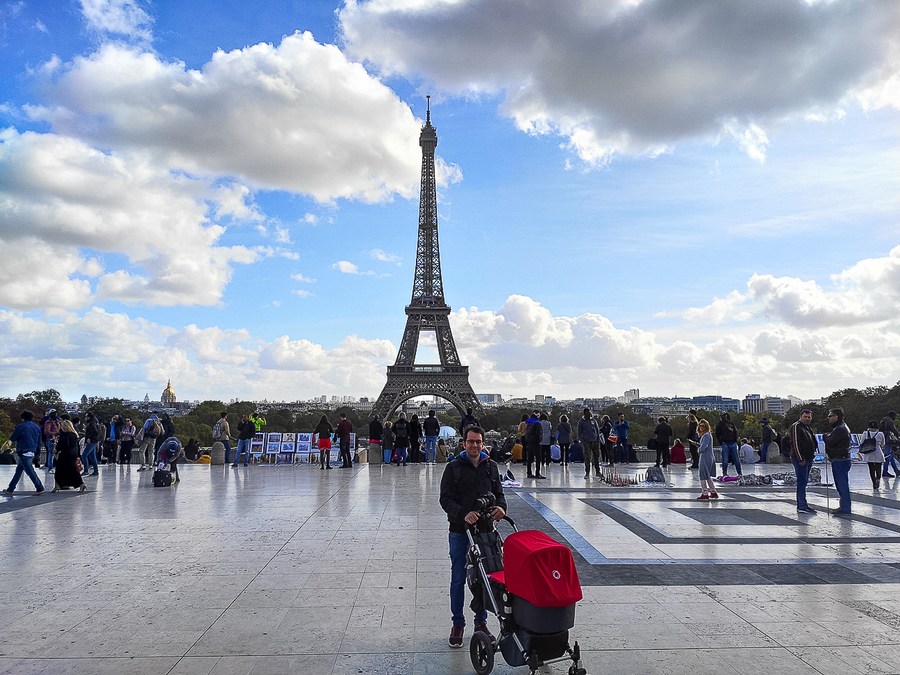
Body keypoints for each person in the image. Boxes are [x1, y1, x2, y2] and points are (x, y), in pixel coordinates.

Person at [439, 425, 506, 648]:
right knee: (458, 578)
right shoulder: (453, 468)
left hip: (485, 531)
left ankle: (481, 622)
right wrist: (463, 514)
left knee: (484, 579)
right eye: (471, 442)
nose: (475, 445)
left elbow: (499, 495)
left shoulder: (492, 467)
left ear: (483, 443)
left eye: (478, 442)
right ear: (463, 443)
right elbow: (445, 499)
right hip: (460, 531)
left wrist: (502, 509)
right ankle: (458, 623)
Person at [3, 411, 45, 495]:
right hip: (32, 451)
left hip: (23, 450)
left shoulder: (20, 427)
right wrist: (37, 453)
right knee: (19, 470)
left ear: (22, 418)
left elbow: (13, 437)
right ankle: (10, 489)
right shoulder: (36, 427)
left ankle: (39, 487)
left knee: (29, 471)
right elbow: (39, 442)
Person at [786, 410, 817, 513]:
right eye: (805, 417)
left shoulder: (808, 428)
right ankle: (801, 505)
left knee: (804, 481)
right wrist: (800, 458)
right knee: (802, 482)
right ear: (801, 417)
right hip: (800, 459)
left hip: (808, 457)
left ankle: (803, 504)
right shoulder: (796, 426)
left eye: (809, 417)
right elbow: (795, 443)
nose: (807, 419)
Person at [823, 408, 852, 515]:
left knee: (842, 484)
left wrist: (825, 437)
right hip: (842, 458)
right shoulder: (842, 427)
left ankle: (845, 508)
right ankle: (844, 506)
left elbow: (830, 442)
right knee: (842, 483)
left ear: (836, 417)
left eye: (830, 416)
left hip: (840, 459)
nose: (828, 418)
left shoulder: (840, 429)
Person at [51, 419, 86, 492]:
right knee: (73, 469)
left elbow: (65, 445)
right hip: (73, 453)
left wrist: (57, 450)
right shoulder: (74, 434)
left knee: (59, 470)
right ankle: (80, 484)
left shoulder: (65, 435)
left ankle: (57, 485)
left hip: (65, 454)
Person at [859, 420, 885, 490]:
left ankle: (874, 482)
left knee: (871, 468)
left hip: (869, 452)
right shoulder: (880, 434)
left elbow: (862, 442)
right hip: (878, 451)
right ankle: (878, 479)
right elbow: (883, 444)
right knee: (878, 467)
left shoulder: (865, 433)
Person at [696, 419, 717, 500]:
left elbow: (703, 447)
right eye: (700, 426)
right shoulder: (708, 435)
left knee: (703, 475)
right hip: (709, 456)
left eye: (702, 426)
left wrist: (698, 449)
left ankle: (705, 492)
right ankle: (713, 491)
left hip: (705, 457)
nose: (701, 428)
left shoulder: (706, 435)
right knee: (707, 475)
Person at [715, 412, 741, 477]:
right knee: (735, 459)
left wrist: (721, 441)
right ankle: (739, 473)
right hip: (730, 442)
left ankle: (725, 473)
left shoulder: (720, 424)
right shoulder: (731, 423)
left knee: (726, 459)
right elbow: (735, 432)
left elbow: (717, 434)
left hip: (726, 442)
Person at [577, 409, 601, 478]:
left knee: (596, 457)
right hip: (587, 442)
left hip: (595, 441)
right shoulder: (581, 422)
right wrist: (582, 441)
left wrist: (597, 439)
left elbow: (597, 430)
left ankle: (598, 471)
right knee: (587, 458)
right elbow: (579, 432)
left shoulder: (593, 421)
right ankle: (587, 472)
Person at [524, 411, 545, 479]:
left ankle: (529, 473)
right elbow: (538, 433)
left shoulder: (529, 423)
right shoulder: (537, 423)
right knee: (538, 458)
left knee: (529, 458)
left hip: (529, 441)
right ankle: (537, 473)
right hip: (535, 442)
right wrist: (538, 441)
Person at [880, 411, 900, 478]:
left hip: (884, 439)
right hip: (889, 440)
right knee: (888, 456)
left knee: (891, 456)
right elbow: (894, 430)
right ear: (892, 416)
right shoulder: (890, 421)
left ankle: (896, 471)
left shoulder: (883, 421)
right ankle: (885, 471)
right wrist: (898, 437)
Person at [81, 412, 101, 477]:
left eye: (86, 417)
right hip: (94, 441)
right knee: (93, 456)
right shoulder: (94, 422)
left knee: (84, 455)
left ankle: (86, 470)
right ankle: (95, 471)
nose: (85, 418)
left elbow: (95, 431)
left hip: (91, 441)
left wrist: (89, 437)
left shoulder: (91, 423)